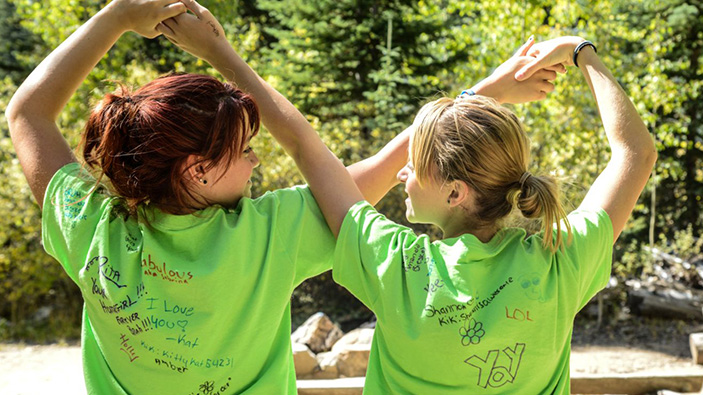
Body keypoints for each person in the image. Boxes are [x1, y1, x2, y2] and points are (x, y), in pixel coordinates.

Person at [6, 0, 562, 393]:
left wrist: (117, 17)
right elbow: (360, 170)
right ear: (198, 171)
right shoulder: (272, 233)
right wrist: (480, 93)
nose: (256, 160)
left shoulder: (92, 228)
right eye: (243, 149)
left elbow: (26, 113)